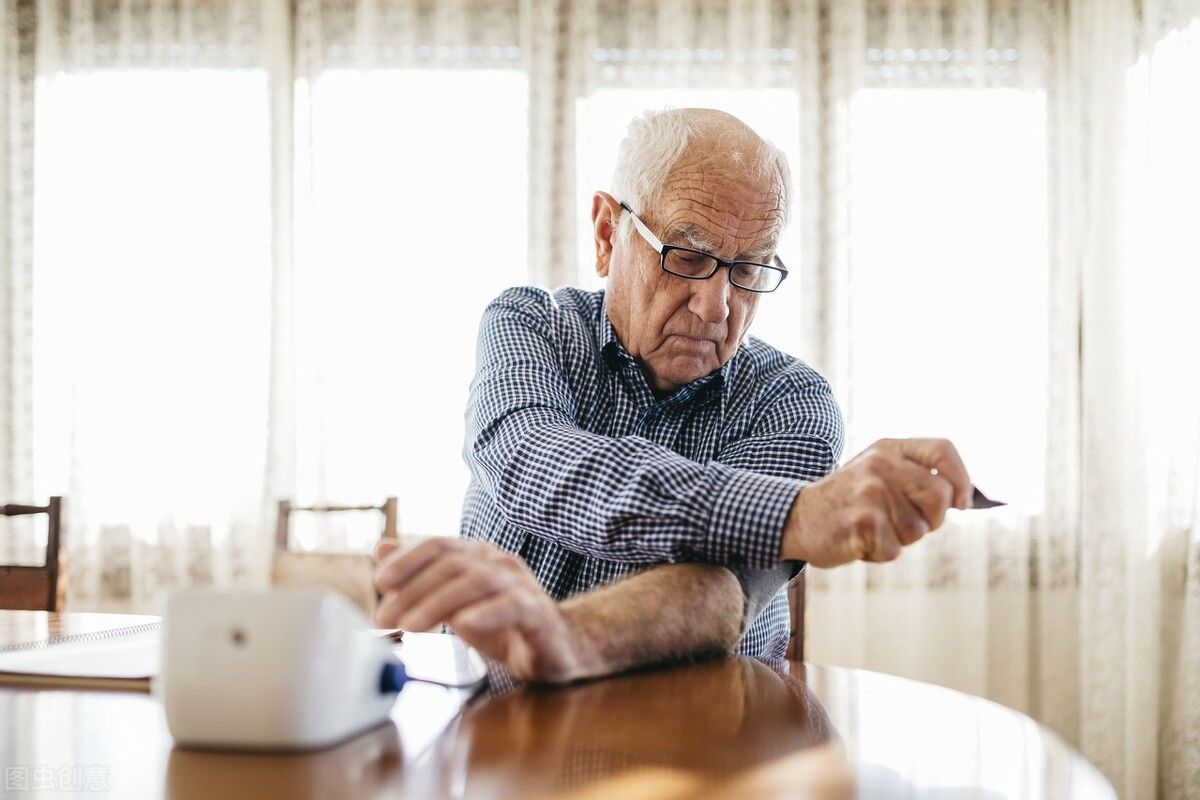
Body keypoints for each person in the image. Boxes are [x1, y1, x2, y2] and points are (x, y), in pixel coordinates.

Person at [375, 108, 973, 682]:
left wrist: (565, 635)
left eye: (748, 270)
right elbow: (535, 463)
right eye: (686, 257)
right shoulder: (531, 323)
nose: (716, 307)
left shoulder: (793, 402)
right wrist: (794, 513)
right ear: (609, 234)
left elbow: (721, 594)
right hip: (489, 729)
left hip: (702, 744)